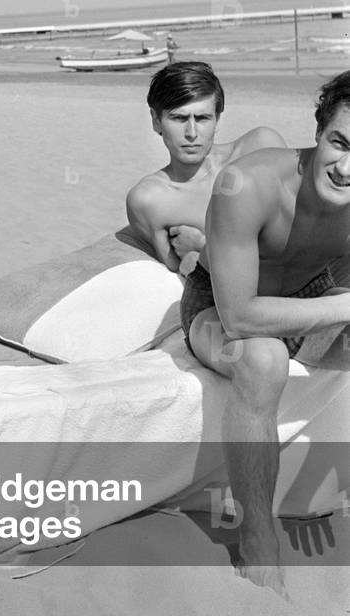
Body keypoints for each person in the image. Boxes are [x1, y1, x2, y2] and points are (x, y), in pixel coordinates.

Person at [183, 71, 350, 597]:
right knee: (264, 360)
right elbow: (239, 318)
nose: (346, 169)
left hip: (315, 295)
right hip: (221, 301)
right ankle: (258, 542)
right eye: (339, 143)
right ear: (318, 130)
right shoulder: (247, 184)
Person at [125, 62, 285, 274]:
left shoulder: (259, 149)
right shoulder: (150, 200)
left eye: (202, 118)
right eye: (179, 118)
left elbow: (298, 238)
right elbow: (186, 275)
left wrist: (203, 246)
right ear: (156, 121)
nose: (191, 133)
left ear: (217, 120)